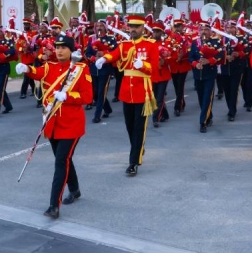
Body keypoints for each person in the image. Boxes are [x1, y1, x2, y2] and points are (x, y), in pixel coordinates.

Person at [17, 34, 93, 219]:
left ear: (71, 50)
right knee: (64, 159)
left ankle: (54, 205)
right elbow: (37, 72)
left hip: (71, 124)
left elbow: (88, 97)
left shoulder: (81, 69)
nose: (59, 51)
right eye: (57, 47)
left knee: (60, 162)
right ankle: (74, 189)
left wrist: (68, 96)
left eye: (63, 47)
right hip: (52, 122)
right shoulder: (49, 66)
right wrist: (26, 68)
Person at [95, 15, 159, 176]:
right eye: (131, 26)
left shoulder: (150, 45)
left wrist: (142, 65)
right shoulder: (124, 44)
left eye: (136, 27)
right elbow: (114, 54)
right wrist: (103, 59)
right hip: (126, 92)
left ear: (143, 28)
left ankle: (134, 162)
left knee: (139, 127)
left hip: (142, 91)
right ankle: (138, 148)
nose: (133, 29)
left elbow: (154, 68)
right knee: (130, 126)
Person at [85, 21, 116, 123]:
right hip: (94, 69)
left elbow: (115, 52)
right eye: (97, 26)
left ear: (105, 27)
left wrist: (104, 54)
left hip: (105, 69)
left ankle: (97, 115)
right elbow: (87, 53)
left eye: (101, 26)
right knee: (95, 93)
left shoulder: (111, 38)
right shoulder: (91, 38)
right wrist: (94, 58)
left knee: (101, 92)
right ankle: (108, 109)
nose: (99, 28)